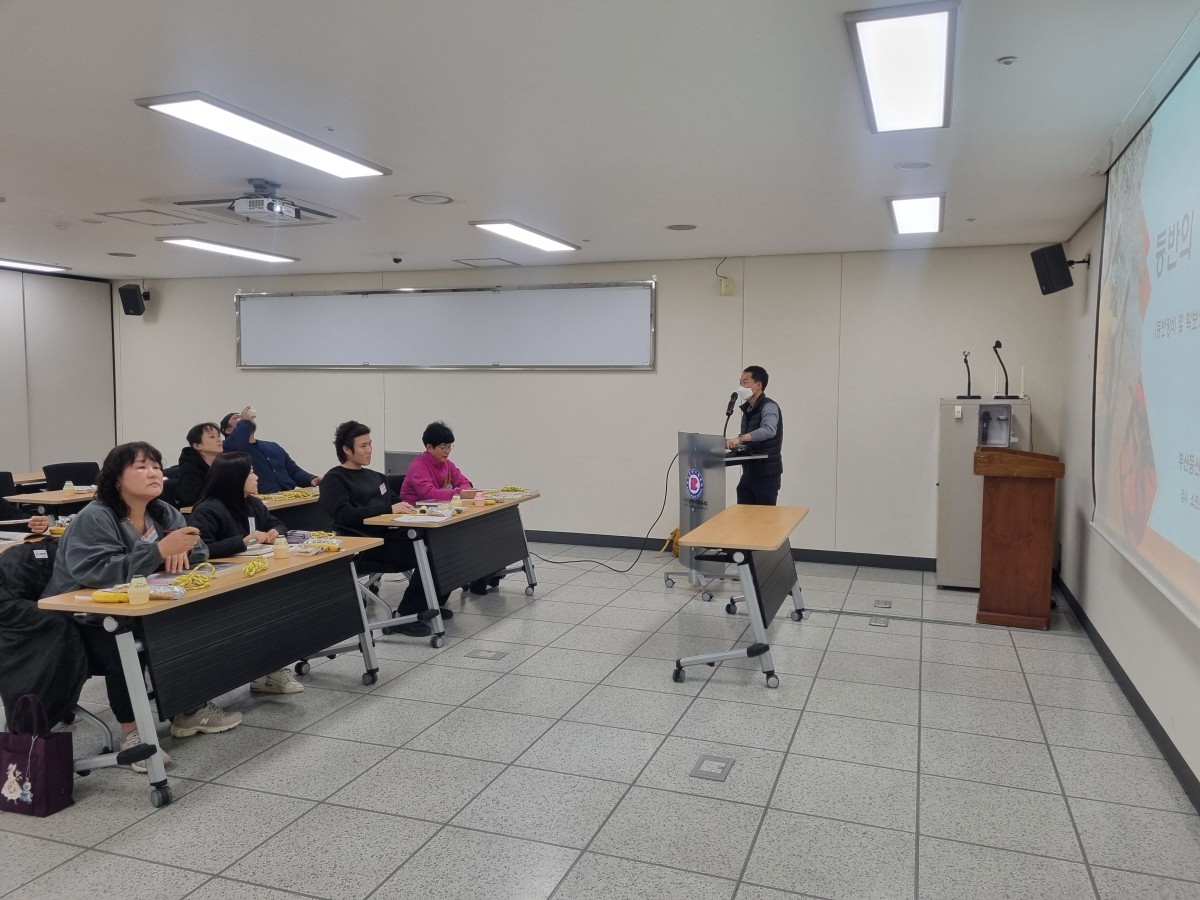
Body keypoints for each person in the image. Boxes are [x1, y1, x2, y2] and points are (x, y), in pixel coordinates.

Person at [42, 441, 243, 771]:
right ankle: (133, 733)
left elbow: (199, 548)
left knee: (188, 623)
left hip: (141, 605)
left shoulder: (162, 511)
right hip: (82, 617)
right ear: (116, 478)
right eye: (141, 467)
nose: (154, 473)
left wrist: (180, 550)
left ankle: (189, 710)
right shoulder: (96, 516)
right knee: (122, 639)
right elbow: (96, 571)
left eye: (157, 467)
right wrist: (160, 551)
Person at [319, 420, 451, 636]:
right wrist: (388, 509)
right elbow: (344, 514)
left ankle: (430, 602)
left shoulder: (376, 477)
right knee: (431, 553)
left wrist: (416, 511)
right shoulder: (334, 479)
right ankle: (406, 615)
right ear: (347, 449)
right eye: (363, 446)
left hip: (391, 536)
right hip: (366, 546)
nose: (369, 450)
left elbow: (396, 502)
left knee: (443, 545)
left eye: (370, 444)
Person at [190, 452, 304, 695]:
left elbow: (277, 523)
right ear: (235, 478)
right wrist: (242, 542)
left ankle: (272, 670)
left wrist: (275, 532)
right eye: (250, 472)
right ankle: (265, 671)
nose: (256, 477)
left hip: (256, 572)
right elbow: (201, 550)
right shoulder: (208, 509)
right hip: (224, 581)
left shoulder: (252, 503)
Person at [401, 421, 502, 595]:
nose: (447, 451)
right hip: (417, 519)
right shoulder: (419, 466)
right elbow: (429, 494)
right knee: (463, 538)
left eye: (449, 446)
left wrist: (462, 491)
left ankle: (485, 577)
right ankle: (476, 579)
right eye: (443, 447)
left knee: (485, 529)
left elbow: (465, 482)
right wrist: (460, 493)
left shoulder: (447, 464)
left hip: (440, 514)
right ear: (429, 447)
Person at [221, 406, 321, 494]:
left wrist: (311, 479)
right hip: (262, 503)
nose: (244, 418)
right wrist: (245, 422)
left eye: (243, 417)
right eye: (237, 418)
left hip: (289, 498)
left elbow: (293, 471)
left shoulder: (273, 446)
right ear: (228, 430)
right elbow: (234, 444)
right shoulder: (229, 449)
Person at [725, 365, 784, 505]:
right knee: (743, 514)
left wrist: (739, 438)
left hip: (766, 475)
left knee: (763, 517)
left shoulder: (769, 406)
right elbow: (751, 441)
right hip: (749, 473)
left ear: (758, 385)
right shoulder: (748, 409)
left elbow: (769, 430)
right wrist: (731, 443)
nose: (741, 387)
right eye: (740, 382)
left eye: (745, 382)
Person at [175, 421, 224, 507]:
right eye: (212, 437)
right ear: (197, 446)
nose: (219, 440)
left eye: (218, 436)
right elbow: (192, 497)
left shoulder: (222, 463)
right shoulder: (190, 467)